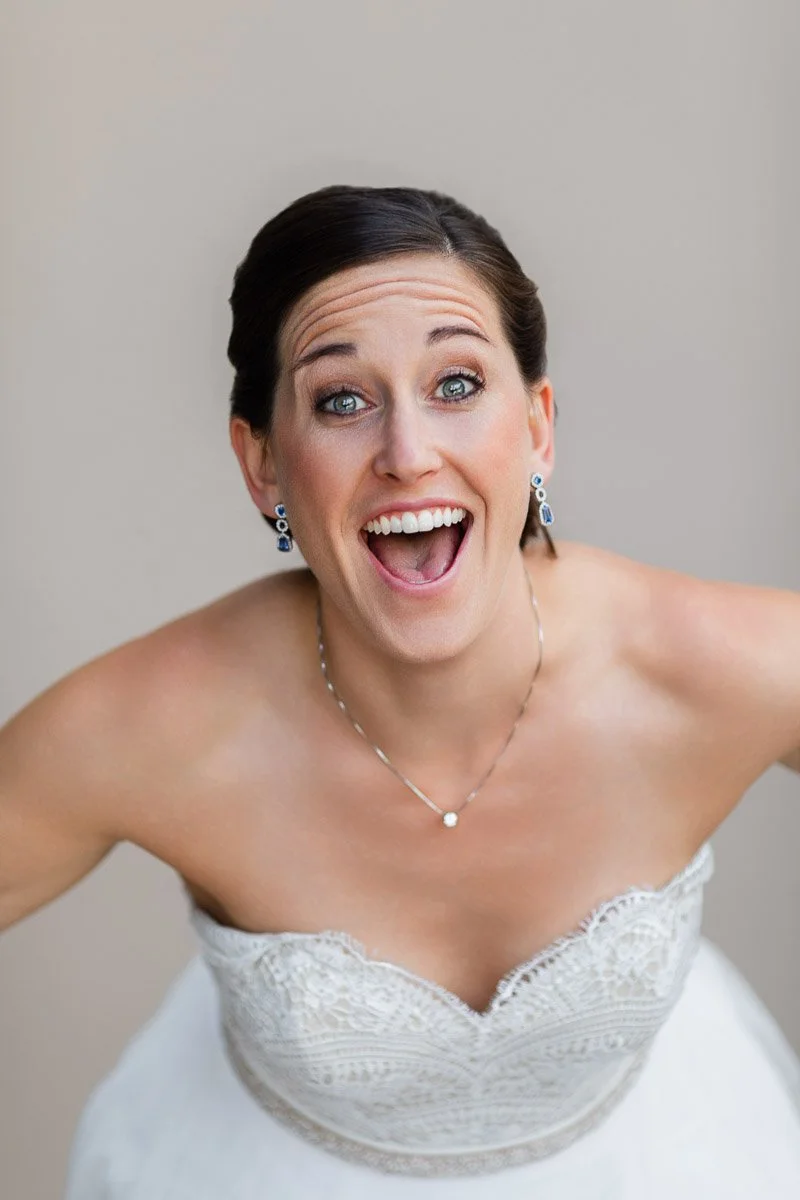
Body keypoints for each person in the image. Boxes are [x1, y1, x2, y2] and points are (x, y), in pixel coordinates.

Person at [2, 185, 799, 1197]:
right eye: (342, 400)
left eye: (456, 384)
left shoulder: (715, 666)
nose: (407, 454)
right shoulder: (152, 728)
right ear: (262, 469)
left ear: (538, 427)